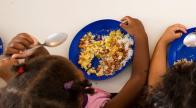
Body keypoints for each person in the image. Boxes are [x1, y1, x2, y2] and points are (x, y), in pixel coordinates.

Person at [0, 16, 150, 107]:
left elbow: (27, 94)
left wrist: (12, 78)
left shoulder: (25, 99)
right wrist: (140, 36)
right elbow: (138, 78)